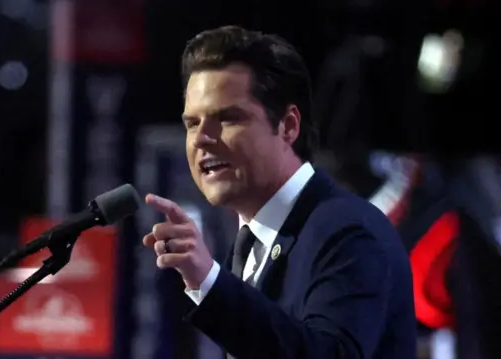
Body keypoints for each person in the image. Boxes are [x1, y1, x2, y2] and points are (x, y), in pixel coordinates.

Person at [142, 25, 416, 359]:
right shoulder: (250, 245)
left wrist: (211, 282)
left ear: (288, 126)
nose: (201, 139)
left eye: (226, 119)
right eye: (192, 123)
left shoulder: (348, 231)